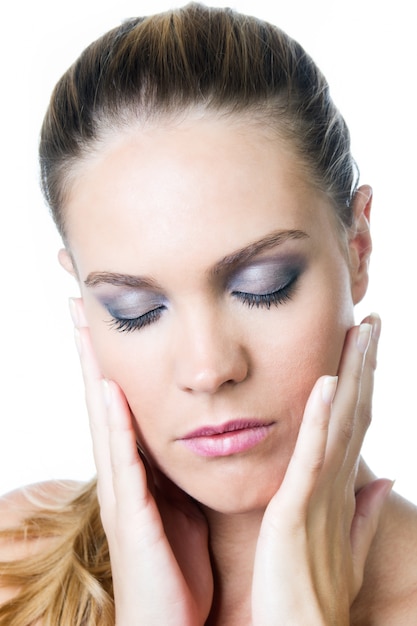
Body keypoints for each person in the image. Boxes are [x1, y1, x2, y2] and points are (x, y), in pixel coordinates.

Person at [0, 3, 416, 624]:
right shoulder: (13, 563)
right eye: (136, 310)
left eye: (263, 285)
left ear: (357, 249)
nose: (208, 368)